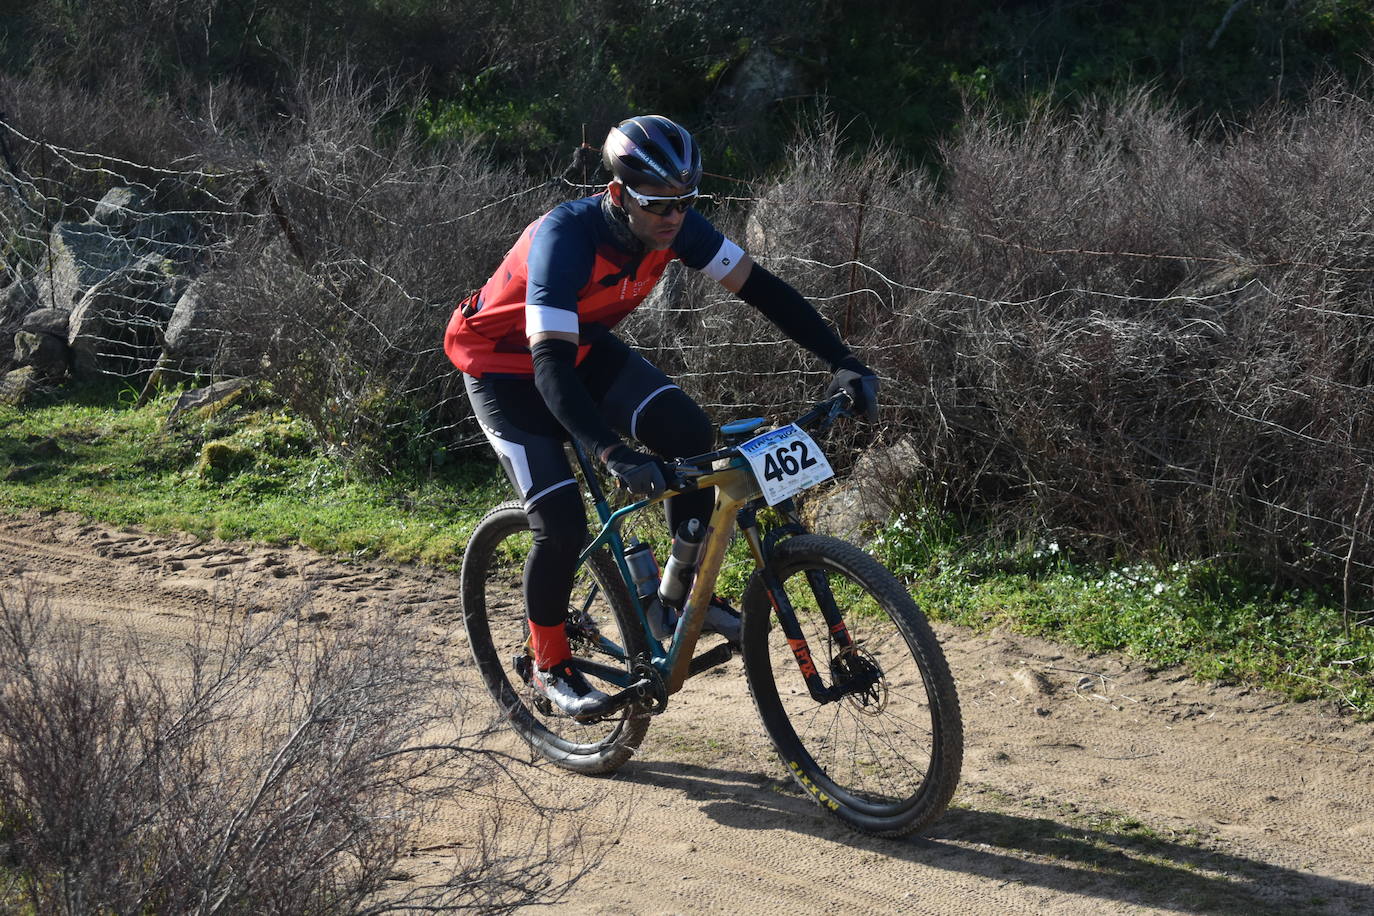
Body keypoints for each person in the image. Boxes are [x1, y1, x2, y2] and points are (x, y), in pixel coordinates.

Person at [445, 115, 878, 718]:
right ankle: (549, 664)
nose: (673, 216)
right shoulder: (565, 239)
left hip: (581, 348)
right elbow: (549, 368)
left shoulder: (678, 228)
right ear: (619, 194)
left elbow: (765, 290)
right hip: (502, 366)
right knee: (561, 522)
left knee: (688, 434)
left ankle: (675, 598)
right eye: (658, 204)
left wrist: (844, 361)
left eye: (685, 202)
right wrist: (611, 451)